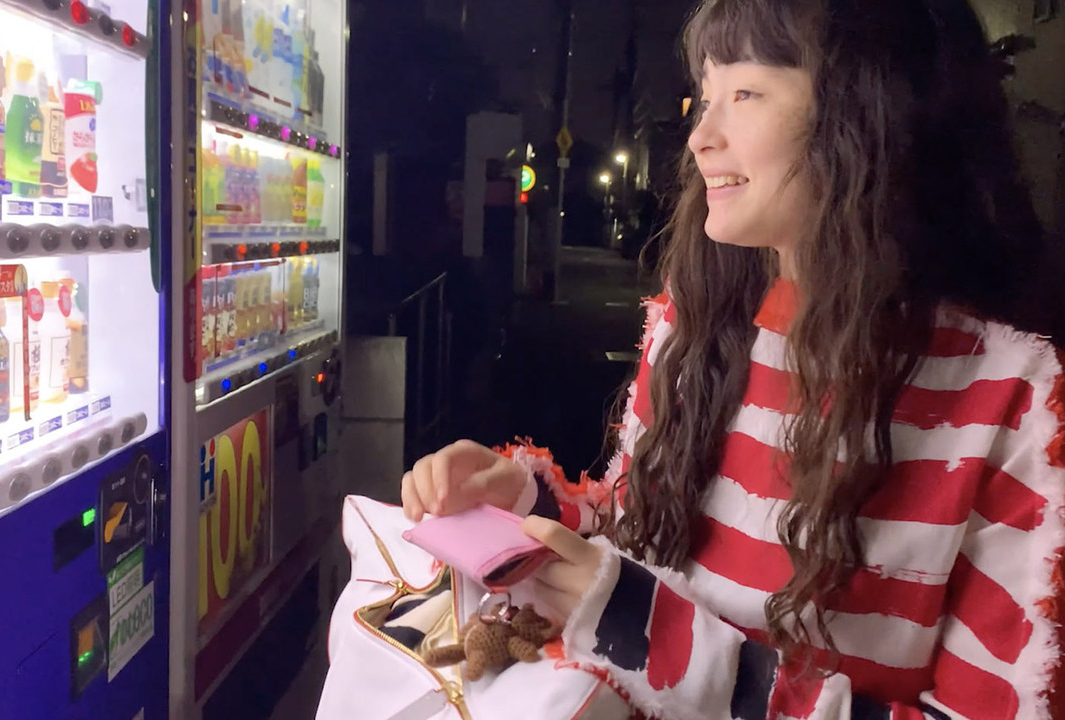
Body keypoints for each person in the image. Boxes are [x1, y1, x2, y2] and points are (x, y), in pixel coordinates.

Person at [400, 0, 1065, 717]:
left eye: (744, 93)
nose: (699, 139)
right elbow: (641, 531)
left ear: (871, 113)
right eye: (704, 97)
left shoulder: (1017, 400)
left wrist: (644, 629)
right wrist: (528, 509)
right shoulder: (692, 329)